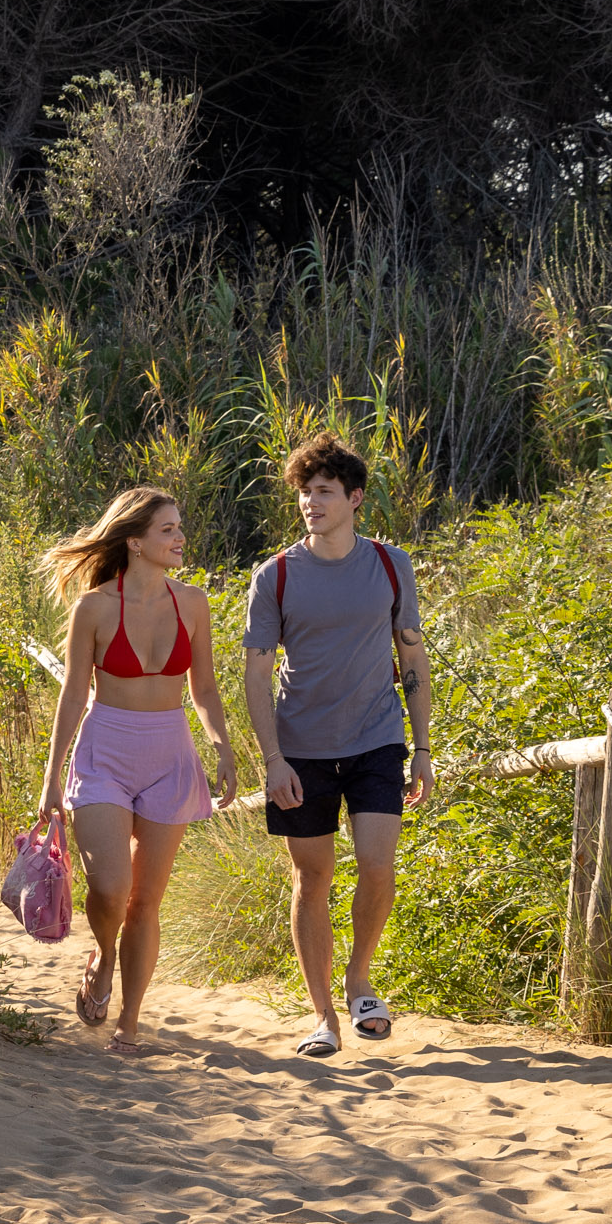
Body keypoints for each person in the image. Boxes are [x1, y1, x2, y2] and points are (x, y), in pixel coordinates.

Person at [33, 486, 238, 1054]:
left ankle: (129, 1022)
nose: (179, 538)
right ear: (135, 542)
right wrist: (52, 778)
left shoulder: (192, 603)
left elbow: (204, 688)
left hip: (169, 756)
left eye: (178, 527)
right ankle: (102, 954)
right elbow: (73, 695)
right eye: (167, 530)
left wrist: (222, 746)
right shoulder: (95, 607)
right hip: (105, 754)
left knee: (146, 900)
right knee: (111, 887)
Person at [243, 434, 429, 1058]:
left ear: (353, 498)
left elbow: (412, 657)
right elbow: (256, 674)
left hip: (378, 737)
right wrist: (272, 760)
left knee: (378, 865)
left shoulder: (389, 564)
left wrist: (423, 747)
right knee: (312, 875)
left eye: (323, 492)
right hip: (302, 747)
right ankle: (323, 1015)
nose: (310, 502)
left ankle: (358, 978)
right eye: (304, 492)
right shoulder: (277, 574)